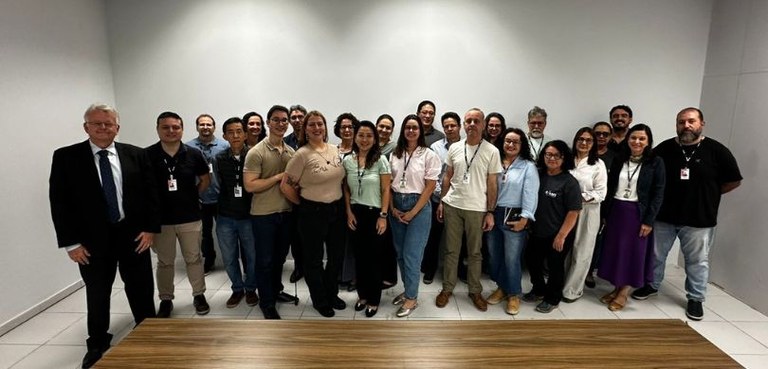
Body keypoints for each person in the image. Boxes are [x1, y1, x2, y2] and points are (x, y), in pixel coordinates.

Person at [50, 103, 159, 369]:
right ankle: (97, 343)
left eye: (108, 123)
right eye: (96, 123)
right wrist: (71, 243)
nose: (102, 128)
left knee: (142, 289)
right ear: (85, 127)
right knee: (98, 293)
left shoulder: (136, 154)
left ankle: (149, 334)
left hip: (133, 236)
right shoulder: (66, 157)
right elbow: (59, 202)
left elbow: (151, 195)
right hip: (91, 242)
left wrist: (150, 229)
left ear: (117, 128)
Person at [632, 108, 742, 321]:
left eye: (691, 121)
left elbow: (733, 180)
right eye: (681, 122)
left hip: (699, 219)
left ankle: (696, 298)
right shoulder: (665, 148)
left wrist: (709, 194)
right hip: (665, 216)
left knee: (697, 260)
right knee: (655, 255)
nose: (686, 126)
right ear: (676, 124)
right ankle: (651, 285)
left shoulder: (717, 151)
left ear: (702, 123)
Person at [281, 110, 347, 318]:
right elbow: (285, 185)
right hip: (311, 213)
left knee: (336, 257)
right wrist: (302, 203)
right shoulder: (301, 155)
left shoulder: (335, 150)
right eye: (312, 125)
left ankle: (331, 293)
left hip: (336, 211)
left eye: (320, 124)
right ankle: (320, 300)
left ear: (325, 127)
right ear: (305, 129)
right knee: (314, 260)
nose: (317, 128)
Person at [436, 108, 502, 312]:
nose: (472, 124)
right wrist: (441, 201)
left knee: (475, 252)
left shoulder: (492, 151)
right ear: (464, 125)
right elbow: (448, 176)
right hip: (453, 205)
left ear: (483, 125)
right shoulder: (455, 147)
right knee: (451, 250)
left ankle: (475, 291)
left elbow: (492, 183)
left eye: (476, 121)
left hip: (476, 208)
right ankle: (447, 288)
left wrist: (490, 211)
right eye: (468, 121)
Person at [146, 111, 211, 318]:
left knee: (194, 259)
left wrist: (192, 196)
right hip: (161, 220)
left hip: (190, 217)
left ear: (182, 129)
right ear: (158, 129)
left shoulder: (193, 154)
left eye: (176, 127)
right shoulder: (147, 155)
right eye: (166, 127)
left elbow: (205, 179)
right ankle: (166, 299)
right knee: (165, 262)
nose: (171, 131)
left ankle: (199, 295)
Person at [598, 124, 665, 311]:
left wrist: (649, 221)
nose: (637, 142)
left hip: (638, 214)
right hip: (617, 211)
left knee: (633, 254)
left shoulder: (655, 162)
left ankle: (624, 292)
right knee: (618, 252)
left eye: (642, 139)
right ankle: (617, 287)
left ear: (648, 141)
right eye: (633, 138)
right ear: (627, 140)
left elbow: (658, 193)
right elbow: (610, 188)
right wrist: (605, 214)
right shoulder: (620, 159)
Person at [243, 105, 299, 320]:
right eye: (276, 120)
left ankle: (275, 291)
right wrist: (278, 177)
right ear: (268, 122)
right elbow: (250, 186)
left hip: (285, 213)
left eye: (284, 120)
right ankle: (266, 302)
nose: (281, 124)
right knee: (264, 261)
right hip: (264, 215)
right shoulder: (256, 152)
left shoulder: (291, 151)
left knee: (279, 259)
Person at [389, 114, 441, 317]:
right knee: (401, 254)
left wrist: (412, 212)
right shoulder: (395, 153)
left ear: (420, 131)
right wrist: (393, 208)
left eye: (415, 128)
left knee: (412, 256)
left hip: (418, 206)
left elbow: (429, 188)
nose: (411, 131)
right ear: (403, 130)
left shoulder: (428, 155)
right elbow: (389, 185)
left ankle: (412, 299)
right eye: (408, 127)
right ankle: (408, 290)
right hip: (397, 205)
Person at [485, 127, 539, 315]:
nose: (510, 144)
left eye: (515, 142)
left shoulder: (528, 166)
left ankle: (514, 294)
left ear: (522, 145)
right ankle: (502, 287)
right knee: (495, 254)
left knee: (512, 258)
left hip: (515, 216)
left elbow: (531, 194)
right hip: (494, 213)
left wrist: (525, 218)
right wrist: (488, 212)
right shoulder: (495, 161)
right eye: (508, 141)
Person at [523, 140, 581, 313]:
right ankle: (539, 289)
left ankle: (552, 298)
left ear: (564, 158)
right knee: (532, 260)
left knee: (555, 267)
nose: (552, 158)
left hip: (558, 233)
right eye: (548, 154)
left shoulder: (569, 182)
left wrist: (561, 236)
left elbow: (574, 212)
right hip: (537, 231)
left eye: (557, 155)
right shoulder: (538, 175)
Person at [343, 120, 392, 318]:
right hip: (355, 213)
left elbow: (386, 189)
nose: (364, 140)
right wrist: (348, 212)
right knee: (360, 258)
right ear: (355, 137)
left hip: (375, 214)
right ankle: (362, 296)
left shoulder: (381, 160)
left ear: (375, 139)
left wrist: (383, 215)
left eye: (369, 136)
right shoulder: (348, 160)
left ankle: (373, 299)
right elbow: (345, 188)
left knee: (374, 260)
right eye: (361, 135)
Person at [213, 117, 259, 310]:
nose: (235, 135)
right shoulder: (218, 158)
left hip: (249, 216)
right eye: (230, 132)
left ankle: (251, 289)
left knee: (252, 255)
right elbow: (216, 186)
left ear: (245, 134)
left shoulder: (254, 155)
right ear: (224, 136)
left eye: (239, 131)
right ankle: (237, 289)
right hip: (225, 217)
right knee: (229, 256)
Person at [562, 128, 607, 302]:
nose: (584, 143)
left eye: (588, 140)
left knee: (582, 251)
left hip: (588, 211)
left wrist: (578, 197)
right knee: (564, 249)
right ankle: (560, 284)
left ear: (593, 143)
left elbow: (601, 194)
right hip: (565, 211)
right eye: (580, 139)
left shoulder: (598, 164)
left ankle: (572, 290)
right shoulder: (567, 160)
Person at [422, 111, 462, 284]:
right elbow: (432, 174)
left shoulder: (468, 146)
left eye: (453, 125)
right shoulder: (436, 147)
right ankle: (430, 269)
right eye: (446, 126)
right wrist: (441, 195)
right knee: (433, 237)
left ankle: (458, 270)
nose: (450, 128)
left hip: (461, 200)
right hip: (437, 198)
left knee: (458, 239)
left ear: (460, 126)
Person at [187, 114, 229, 274]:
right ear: (197, 127)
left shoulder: (224, 146)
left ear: (214, 127)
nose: (205, 127)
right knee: (204, 234)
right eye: (202, 124)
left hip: (221, 198)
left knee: (225, 233)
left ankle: (229, 261)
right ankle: (209, 260)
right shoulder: (188, 147)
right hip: (200, 198)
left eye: (209, 124)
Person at [585, 121, 617, 288]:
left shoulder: (614, 157)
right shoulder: (582, 155)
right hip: (578, 206)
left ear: (610, 136)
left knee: (594, 242)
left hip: (602, 205)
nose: (601, 137)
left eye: (605, 134)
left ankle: (589, 271)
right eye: (598, 134)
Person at [334, 113, 359, 290]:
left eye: (350, 126)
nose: (347, 130)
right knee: (337, 241)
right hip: (334, 202)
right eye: (343, 127)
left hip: (355, 202)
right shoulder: (332, 150)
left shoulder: (360, 151)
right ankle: (337, 275)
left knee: (353, 241)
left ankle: (353, 277)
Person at [375, 113, 398, 290]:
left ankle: (389, 277)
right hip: (368, 198)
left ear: (391, 131)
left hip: (387, 198)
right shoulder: (368, 145)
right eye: (381, 126)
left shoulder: (395, 148)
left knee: (386, 240)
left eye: (388, 127)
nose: (383, 129)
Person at [286, 104, 307, 283]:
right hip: (292, 197)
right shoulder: (285, 142)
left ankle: (312, 266)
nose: (297, 120)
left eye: (301, 116)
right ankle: (299, 266)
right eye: (294, 117)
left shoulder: (314, 138)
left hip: (312, 194)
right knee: (296, 235)